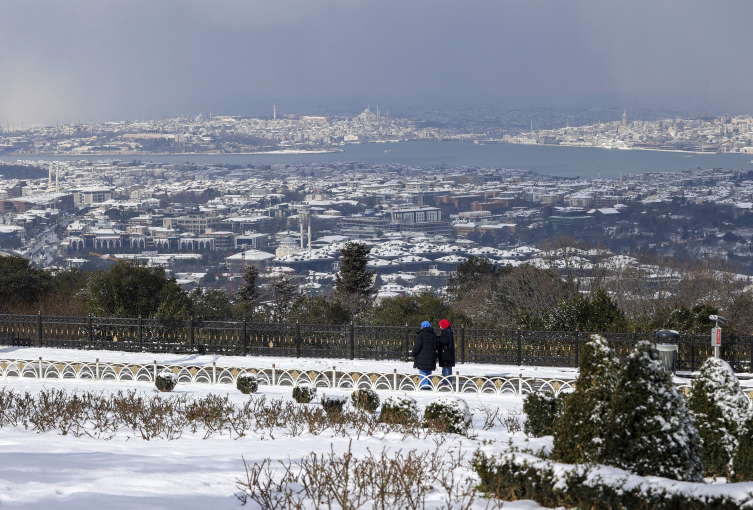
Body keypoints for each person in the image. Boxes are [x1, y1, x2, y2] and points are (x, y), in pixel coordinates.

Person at [412, 320, 438, 390]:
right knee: (428, 371)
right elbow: (436, 346)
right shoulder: (434, 334)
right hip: (431, 356)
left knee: (423, 371)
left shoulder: (421, 334)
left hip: (422, 356)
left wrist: (413, 354)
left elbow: (418, 346)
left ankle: (424, 386)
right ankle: (429, 384)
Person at [437, 319, 455, 386]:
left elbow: (445, 341)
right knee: (448, 367)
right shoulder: (448, 331)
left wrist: (439, 338)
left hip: (445, 353)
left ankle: (446, 381)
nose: (440, 327)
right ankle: (449, 380)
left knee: (446, 367)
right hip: (448, 353)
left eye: (441, 325)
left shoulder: (446, 331)